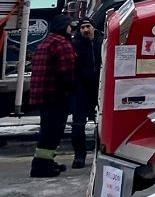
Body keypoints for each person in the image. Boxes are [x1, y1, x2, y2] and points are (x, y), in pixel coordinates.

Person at [29, 14, 77, 177]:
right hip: (57, 96)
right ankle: (42, 167)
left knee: (47, 131)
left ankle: (45, 162)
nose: (72, 29)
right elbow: (68, 72)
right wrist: (71, 90)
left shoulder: (46, 42)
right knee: (53, 132)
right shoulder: (63, 44)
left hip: (44, 95)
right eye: (70, 25)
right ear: (64, 27)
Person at [71, 18, 102, 168]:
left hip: (100, 87)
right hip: (81, 88)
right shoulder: (75, 44)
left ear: (94, 28)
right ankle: (79, 156)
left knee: (102, 123)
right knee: (78, 124)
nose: (85, 30)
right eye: (82, 27)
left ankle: (101, 153)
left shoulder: (102, 42)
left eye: (88, 26)